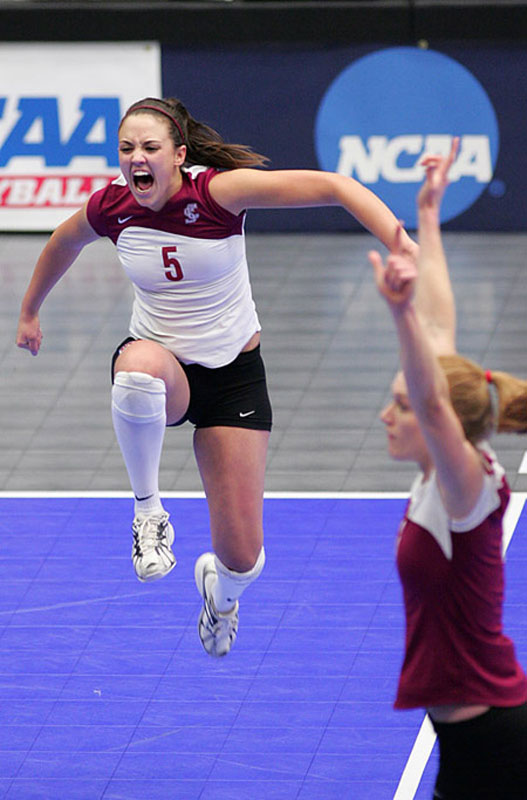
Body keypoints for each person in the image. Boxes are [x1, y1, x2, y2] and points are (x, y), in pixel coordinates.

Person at [16, 96, 417, 659]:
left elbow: (336, 187)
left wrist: (402, 245)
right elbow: (64, 242)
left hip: (232, 380)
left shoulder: (218, 194)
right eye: (127, 148)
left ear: (179, 155)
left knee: (243, 558)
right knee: (135, 374)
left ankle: (222, 596)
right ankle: (148, 512)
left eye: (151, 148)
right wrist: (31, 310)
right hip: (165, 367)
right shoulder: (112, 208)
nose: (137, 158)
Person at [369, 138, 527, 799]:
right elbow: (441, 334)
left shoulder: (468, 491)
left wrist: (397, 309)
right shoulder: (447, 473)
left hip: (492, 743)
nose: (386, 414)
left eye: (399, 406)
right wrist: (427, 215)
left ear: (443, 429)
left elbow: (432, 393)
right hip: (470, 734)